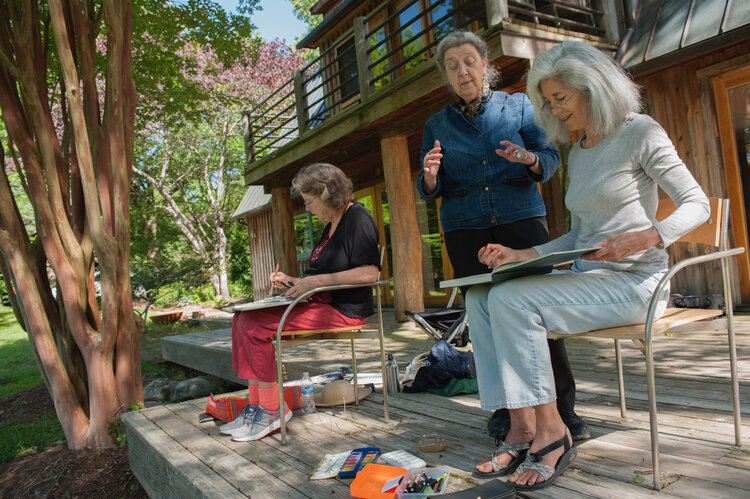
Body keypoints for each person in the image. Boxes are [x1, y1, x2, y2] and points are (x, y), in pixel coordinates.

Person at [467, 40, 709, 490]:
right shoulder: (579, 151)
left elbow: (698, 204)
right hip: (590, 280)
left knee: (512, 300)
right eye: (548, 102)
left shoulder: (640, 132)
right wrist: (522, 254)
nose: (554, 110)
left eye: (560, 98)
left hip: (637, 282)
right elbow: (579, 237)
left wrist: (647, 236)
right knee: (481, 295)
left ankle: (552, 432)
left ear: (593, 88)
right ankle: (521, 425)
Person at [415, 30, 589, 441]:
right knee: (485, 317)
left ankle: (563, 410)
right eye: (452, 66)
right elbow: (429, 188)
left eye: (469, 61)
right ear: (446, 75)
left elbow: (549, 159)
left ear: (485, 64)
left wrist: (528, 158)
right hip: (466, 230)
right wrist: (430, 176)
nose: (462, 71)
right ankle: (509, 412)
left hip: (520, 223)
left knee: (540, 314)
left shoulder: (520, 106)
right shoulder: (436, 124)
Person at [223, 163, 380, 441]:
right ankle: (257, 406)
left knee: (254, 325)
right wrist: (293, 281)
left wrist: (314, 283)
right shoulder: (331, 225)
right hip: (320, 301)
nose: (307, 208)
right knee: (241, 319)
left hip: (343, 309)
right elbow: (321, 276)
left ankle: (271, 409)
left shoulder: (357, 217)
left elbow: (370, 273)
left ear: (326, 193)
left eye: (309, 201)